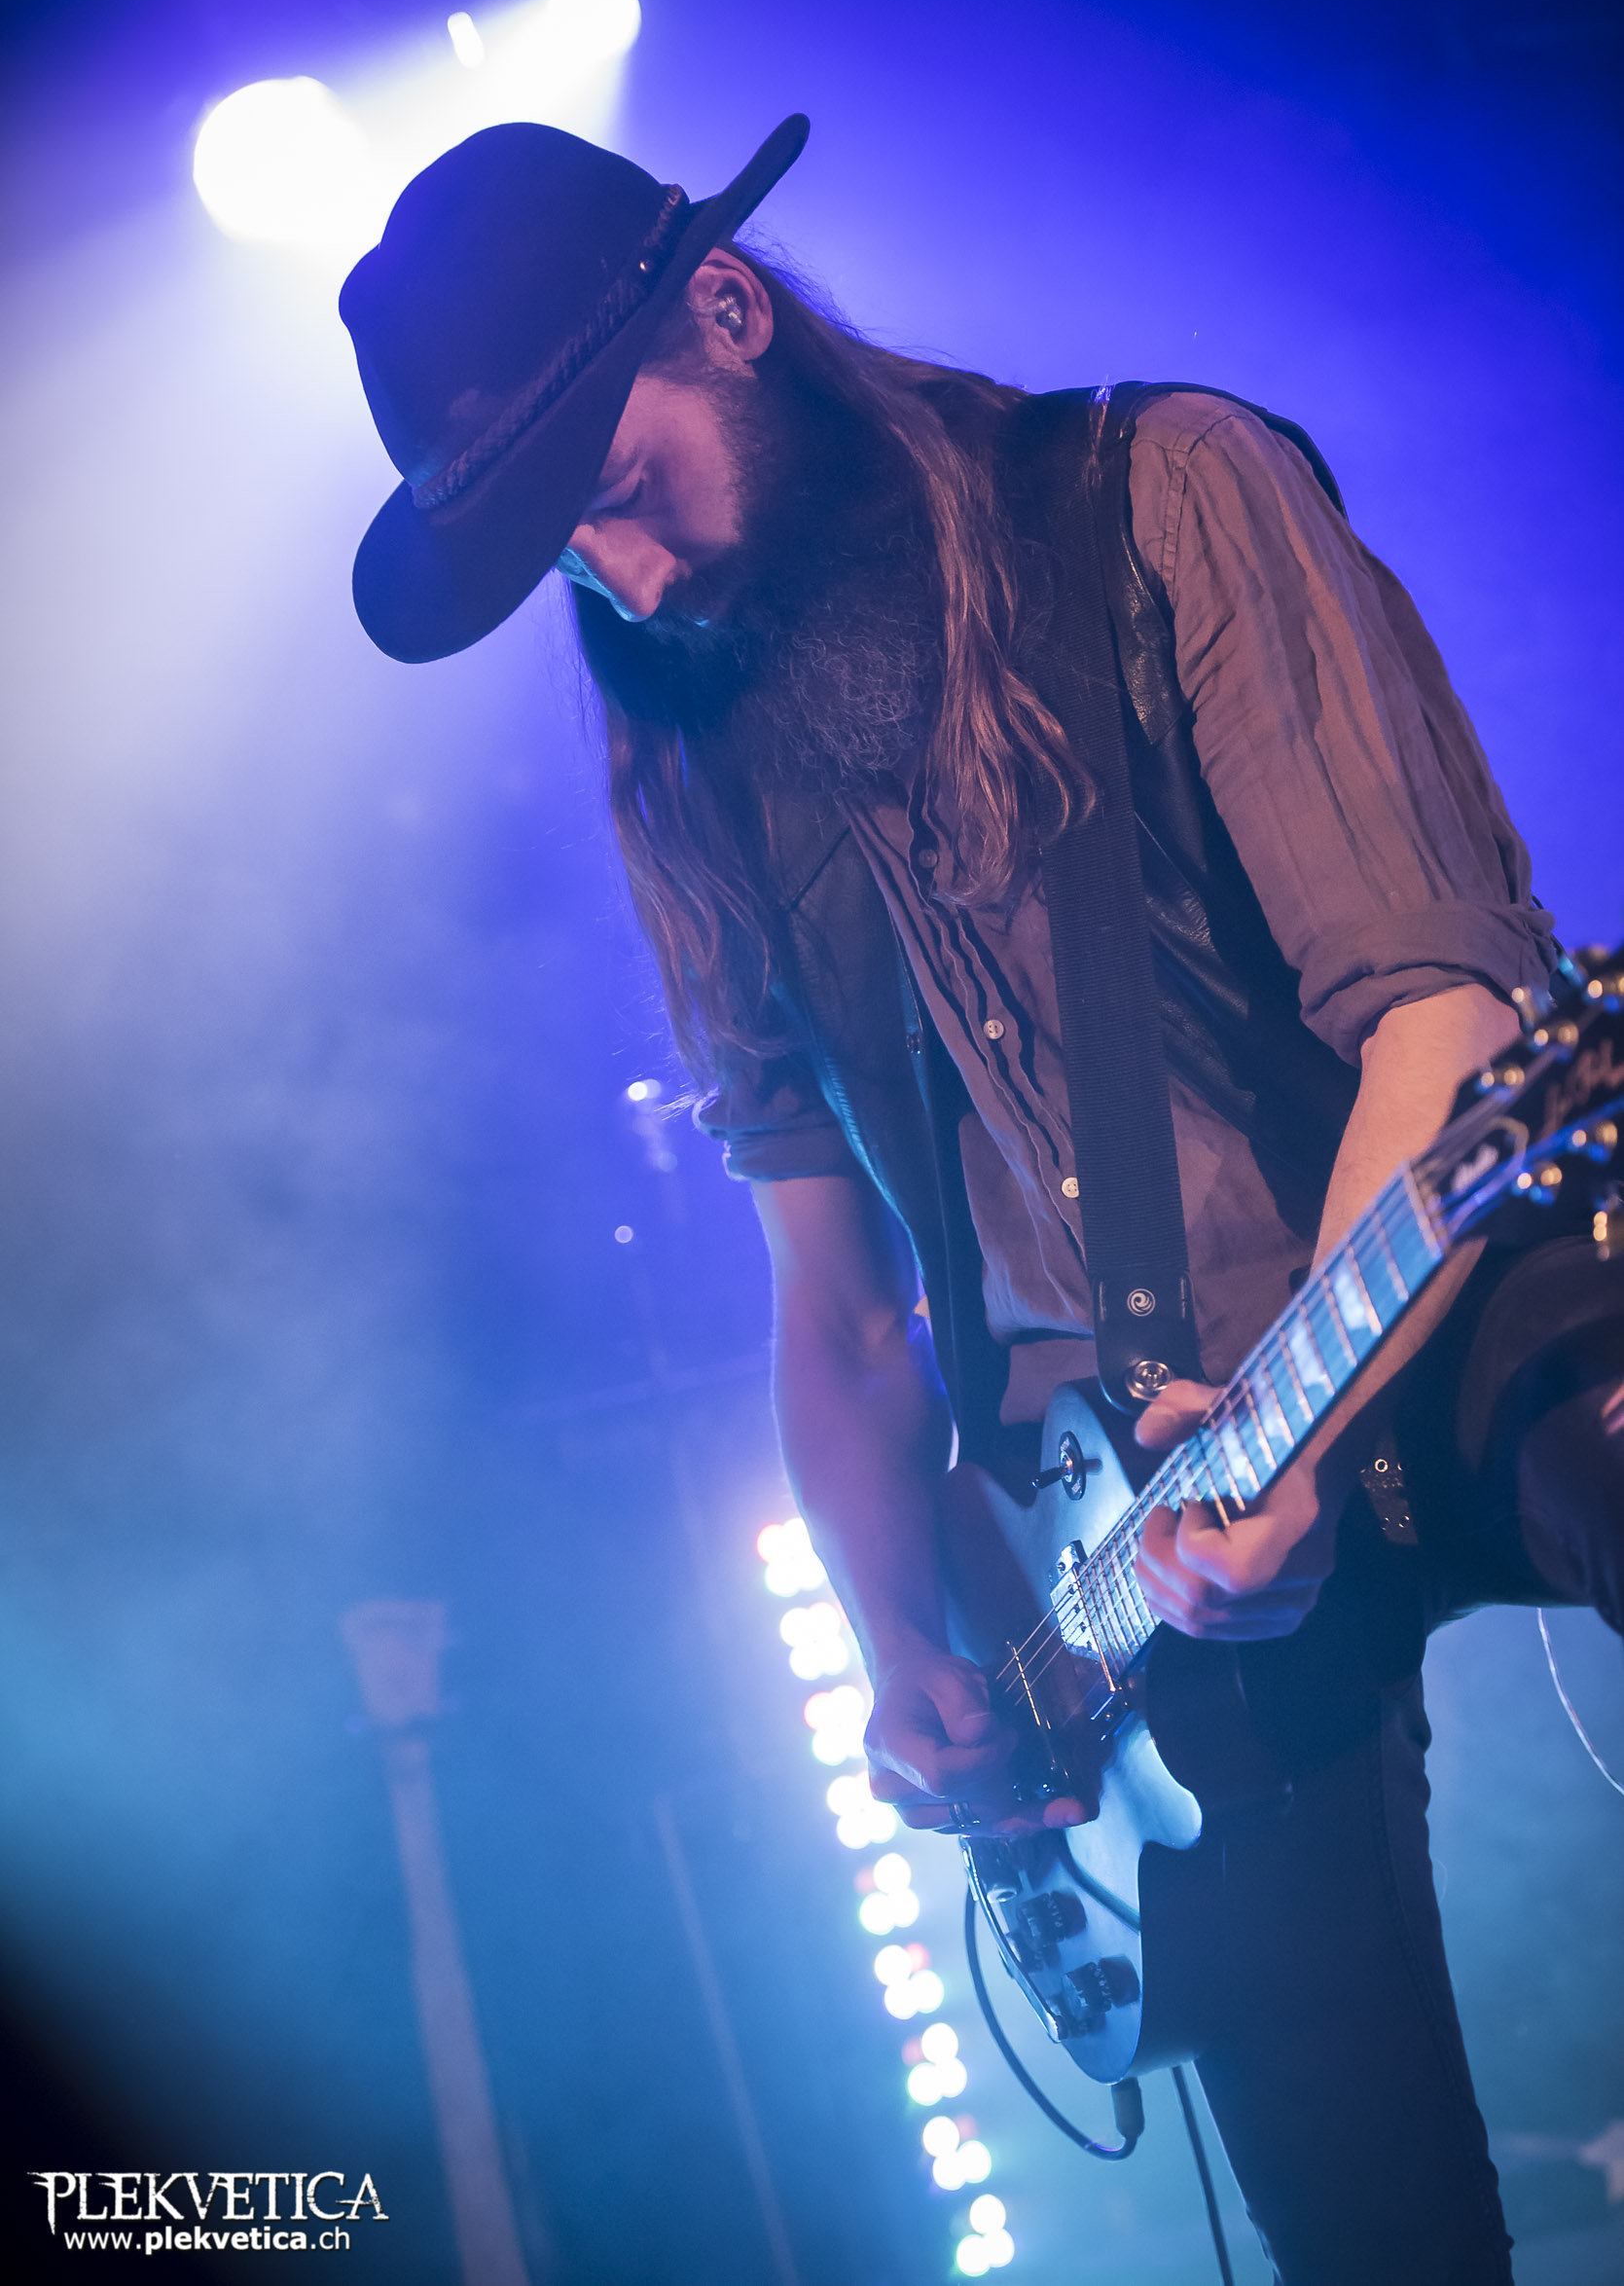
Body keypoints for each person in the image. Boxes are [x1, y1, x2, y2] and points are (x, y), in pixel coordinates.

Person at [339, 116, 1624, 2283]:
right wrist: (900, 1644)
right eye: (561, 555)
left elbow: (1438, 1004)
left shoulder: (1159, 490)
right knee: (1363, 2227)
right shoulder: (691, 766)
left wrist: (1304, 1430)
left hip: (1436, 1253)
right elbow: (841, 1310)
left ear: (727, 313)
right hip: (1121, 1524)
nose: (621, 579)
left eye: (617, 485)